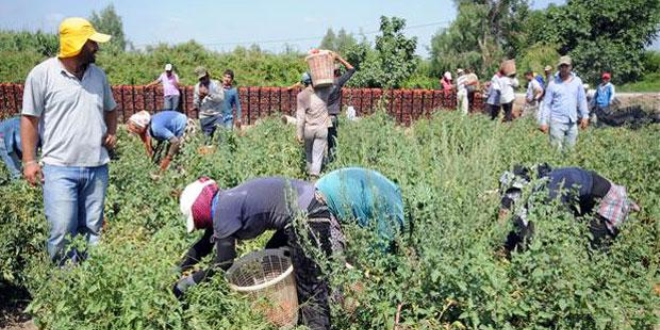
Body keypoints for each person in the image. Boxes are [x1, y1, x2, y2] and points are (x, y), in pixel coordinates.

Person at [175, 177, 341, 329]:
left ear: (200, 209)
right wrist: (178, 269)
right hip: (307, 204)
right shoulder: (224, 203)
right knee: (273, 251)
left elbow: (224, 263)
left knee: (311, 287)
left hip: (309, 215)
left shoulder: (223, 211)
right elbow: (204, 245)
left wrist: (187, 284)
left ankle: (317, 324)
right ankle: (291, 312)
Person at [21, 17, 117, 264]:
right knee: (62, 231)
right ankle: (64, 285)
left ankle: (89, 283)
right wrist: (30, 161)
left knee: (92, 231)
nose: (96, 47)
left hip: (97, 167)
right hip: (59, 168)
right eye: (91, 43)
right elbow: (30, 119)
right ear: (77, 44)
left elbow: (111, 108)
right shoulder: (42, 74)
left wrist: (112, 131)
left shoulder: (99, 76)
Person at [498, 164, 639, 253]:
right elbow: (508, 210)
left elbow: (561, 228)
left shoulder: (547, 193)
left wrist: (504, 240)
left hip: (609, 204)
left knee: (593, 250)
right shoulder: (534, 179)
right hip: (585, 191)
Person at [315, 167, 407, 251]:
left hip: (326, 184)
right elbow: (382, 249)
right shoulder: (393, 215)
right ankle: (339, 263)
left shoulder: (393, 198)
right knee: (334, 237)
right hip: (330, 192)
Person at [538, 56, 589, 152]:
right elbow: (547, 104)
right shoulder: (553, 84)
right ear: (559, 68)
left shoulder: (577, 82)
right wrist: (543, 122)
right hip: (557, 122)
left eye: (566, 66)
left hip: (572, 121)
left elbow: (582, 100)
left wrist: (585, 116)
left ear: (571, 67)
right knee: (556, 151)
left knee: (570, 150)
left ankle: (567, 166)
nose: (564, 68)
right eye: (562, 66)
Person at [296, 72, 331, 180]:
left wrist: (299, 133)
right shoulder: (324, 92)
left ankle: (309, 173)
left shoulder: (301, 96)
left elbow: (300, 117)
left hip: (308, 129)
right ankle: (314, 176)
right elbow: (332, 84)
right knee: (318, 154)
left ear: (304, 83)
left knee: (308, 152)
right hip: (322, 129)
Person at [326, 52, 356, 163]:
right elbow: (352, 69)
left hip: (321, 117)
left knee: (323, 142)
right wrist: (339, 58)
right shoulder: (338, 82)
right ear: (337, 72)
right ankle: (332, 164)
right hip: (333, 116)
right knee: (333, 142)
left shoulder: (321, 84)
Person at [192, 66, 225, 145]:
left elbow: (221, 98)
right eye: (201, 79)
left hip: (217, 115)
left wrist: (209, 93)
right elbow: (196, 104)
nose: (203, 80)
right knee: (207, 141)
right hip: (205, 117)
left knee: (222, 137)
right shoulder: (197, 87)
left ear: (208, 75)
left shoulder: (216, 84)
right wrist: (200, 98)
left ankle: (223, 154)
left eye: (204, 78)